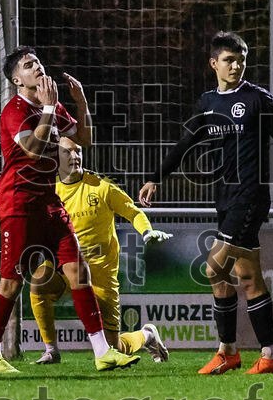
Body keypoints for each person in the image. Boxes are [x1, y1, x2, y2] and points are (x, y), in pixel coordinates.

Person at [138, 31, 273, 375]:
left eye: (241, 59)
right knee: (248, 276)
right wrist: (157, 176)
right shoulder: (208, 103)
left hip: (250, 198)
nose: (236, 65)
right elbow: (186, 142)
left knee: (213, 269)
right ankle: (270, 354)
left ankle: (227, 349)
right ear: (214, 63)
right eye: (229, 60)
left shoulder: (257, 99)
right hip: (226, 199)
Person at [0, 46, 139, 373]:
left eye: (37, 61)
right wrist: (51, 108)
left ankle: (102, 353)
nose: (37, 67)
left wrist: (80, 102)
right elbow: (34, 149)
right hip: (19, 204)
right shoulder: (14, 110)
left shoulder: (51, 107)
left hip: (51, 204)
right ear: (17, 80)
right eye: (29, 65)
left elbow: (83, 138)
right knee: (11, 284)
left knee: (77, 271)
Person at [25, 137, 173, 364]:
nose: (75, 156)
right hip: (66, 267)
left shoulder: (101, 186)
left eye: (78, 151)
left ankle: (147, 335)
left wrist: (146, 232)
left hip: (101, 276)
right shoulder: (49, 190)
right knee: (39, 281)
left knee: (116, 348)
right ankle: (51, 350)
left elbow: (133, 212)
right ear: (56, 157)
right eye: (68, 152)